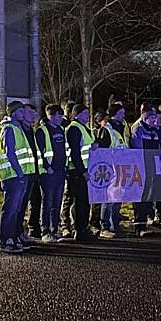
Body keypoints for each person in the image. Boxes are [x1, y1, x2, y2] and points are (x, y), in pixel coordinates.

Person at [0, 101, 35, 254]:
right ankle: (7, 240)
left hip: (20, 175)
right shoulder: (10, 129)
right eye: (21, 111)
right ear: (15, 113)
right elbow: (10, 153)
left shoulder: (17, 129)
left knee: (16, 209)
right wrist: (19, 173)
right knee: (11, 209)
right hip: (13, 176)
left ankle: (13, 237)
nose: (24, 113)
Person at [130, 105, 161, 236]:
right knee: (140, 197)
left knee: (149, 196)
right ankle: (139, 226)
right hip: (141, 167)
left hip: (152, 168)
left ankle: (146, 221)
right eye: (151, 117)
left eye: (155, 117)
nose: (154, 120)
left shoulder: (154, 131)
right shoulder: (138, 129)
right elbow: (137, 148)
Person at [95, 103, 128, 239]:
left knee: (117, 198)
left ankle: (115, 225)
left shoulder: (122, 128)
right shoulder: (108, 129)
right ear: (116, 113)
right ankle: (105, 227)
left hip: (121, 168)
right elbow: (102, 150)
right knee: (108, 199)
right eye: (122, 112)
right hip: (110, 169)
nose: (124, 115)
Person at [36, 104, 68, 243]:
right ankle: (45, 231)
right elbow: (39, 151)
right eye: (59, 116)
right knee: (47, 201)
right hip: (48, 173)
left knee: (57, 201)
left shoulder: (61, 130)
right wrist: (46, 166)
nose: (61, 118)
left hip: (60, 171)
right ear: (51, 116)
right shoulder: (42, 131)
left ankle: (55, 230)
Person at [66, 104, 96, 242]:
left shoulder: (84, 128)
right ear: (76, 114)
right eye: (84, 113)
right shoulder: (74, 128)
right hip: (77, 172)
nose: (87, 116)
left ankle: (83, 228)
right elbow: (75, 152)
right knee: (80, 202)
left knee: (85, 202)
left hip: (85, 170)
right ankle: (78, 230)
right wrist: (82, 171)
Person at [18, 104, 43, 245]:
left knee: (34, 201)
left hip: (32, 172)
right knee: (19, 205)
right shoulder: (19, 130)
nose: (34, 114)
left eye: (35, 112)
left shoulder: (31, 130)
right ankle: (17, 233)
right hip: (22, 174)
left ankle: (26, 231)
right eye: (30, 112)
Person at [59, 101, 77, 237]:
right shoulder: (66, 126)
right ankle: (65, 225)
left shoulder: (66, 125)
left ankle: (69, 224)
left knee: (69, 197)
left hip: (68, 166)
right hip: (66, 167)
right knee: (67, 198)